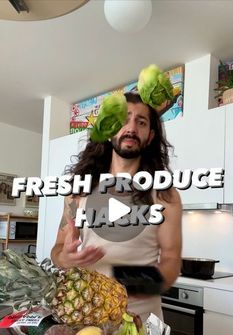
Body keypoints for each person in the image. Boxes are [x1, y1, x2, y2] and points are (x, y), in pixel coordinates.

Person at [51, 92, 182, 321]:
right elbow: (57, 250)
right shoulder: (79, 192)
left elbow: (171, 259)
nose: (131, 128)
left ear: (150, 136)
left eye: (141, 122)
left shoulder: (165, 195)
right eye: (123, 120)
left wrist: (140, 285)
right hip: (89, 319)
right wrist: (65, 258)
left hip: (141, 324)